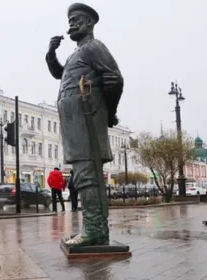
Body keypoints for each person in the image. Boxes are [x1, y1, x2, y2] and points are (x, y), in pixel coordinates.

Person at [45, 3, 123, 246]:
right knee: (82, 171)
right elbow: (60, 74)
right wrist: (50, 56)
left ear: (90, 23)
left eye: (77, 19)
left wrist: (109, 112)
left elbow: (115, 79)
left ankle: (95, 229)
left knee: (87, 172)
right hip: (74, 118)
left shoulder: (93, 48)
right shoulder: (75, 54)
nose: (72, 23)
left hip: (87, 116)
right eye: (70, 20)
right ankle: (94, 229)